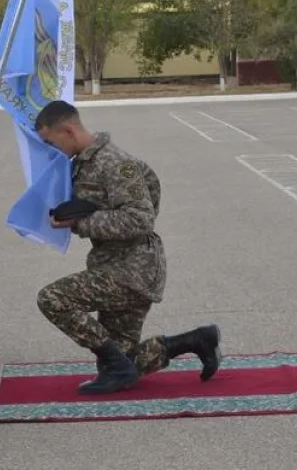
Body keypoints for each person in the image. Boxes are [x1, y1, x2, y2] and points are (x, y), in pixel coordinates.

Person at [33, 100, 222, 395]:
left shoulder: (114, 163)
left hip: (132, 270)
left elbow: (141, 218)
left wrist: (81, 224)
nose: (50, 149)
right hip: (113, 263)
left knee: (52, 299)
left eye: (50, 141)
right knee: (120, 365)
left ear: (68, 130)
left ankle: (119, 365)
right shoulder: (84, 162)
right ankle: (196, 340)